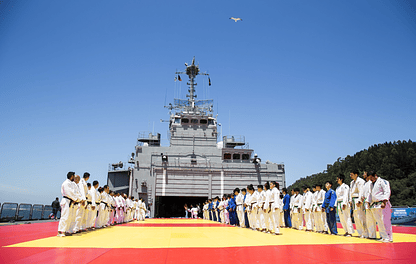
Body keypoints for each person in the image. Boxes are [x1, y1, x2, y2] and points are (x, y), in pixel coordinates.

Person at [368, 171, 393, 242]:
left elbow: (387, 191)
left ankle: (388, 237)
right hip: (375, 204)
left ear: (375, 175)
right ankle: (383, 236)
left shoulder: (383, 181)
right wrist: (369, 202)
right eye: (369, 178)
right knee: (379, 221)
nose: (370, 179)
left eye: (371, 178)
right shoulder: (371, 184)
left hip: (382, 203)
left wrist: (384, 201)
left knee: (385, 221)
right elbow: (371, 194)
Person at [57, 172, 81, 237]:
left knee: (70, 217)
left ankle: (66, 230)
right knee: (65, 216)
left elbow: (75, 192)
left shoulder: (72, 184)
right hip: (66, 201)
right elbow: (69, 193)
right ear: (71, 176)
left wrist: (78, 199)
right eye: (73, 176)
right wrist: (76, 199)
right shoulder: (66, 183)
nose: (74, 178)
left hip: (71, 201)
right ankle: (60, 231)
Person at [350, 170, 368, 238]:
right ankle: (360, 233)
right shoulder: (352, 182)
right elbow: (350, 192)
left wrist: (360, 200)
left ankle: (365, 233)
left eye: (352, 174)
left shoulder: (360, 181)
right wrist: (350, 200)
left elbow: (361, 191)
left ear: (356, 174)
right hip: (354, 199)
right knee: (356, 218)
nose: (350, 176)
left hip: (358, 199)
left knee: (361, 217)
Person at [361, 172, 376, 239]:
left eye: (364, 173)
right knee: (368, 220)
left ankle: (373, 235)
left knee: (372, 220)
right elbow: (364, 193)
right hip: (366, 203)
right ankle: (370, 234)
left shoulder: (371, 183)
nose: (363, 175)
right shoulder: (365, 183)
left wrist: (369, 201)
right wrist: (362, 197)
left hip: (371, 202)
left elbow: (370, 193)